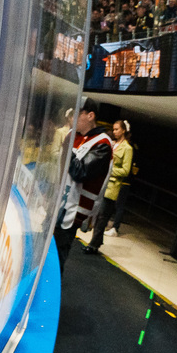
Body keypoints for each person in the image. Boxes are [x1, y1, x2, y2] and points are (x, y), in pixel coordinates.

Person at [52, 97, 112, 269]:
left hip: (74, 209)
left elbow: (80, 172)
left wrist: (68, 149)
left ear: (90, 116)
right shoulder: (73, 135)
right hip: (59, 203)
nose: (72, 119)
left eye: (77, 114)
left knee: (58, 255)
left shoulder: (102, 144)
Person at [85, 118, 133, 254]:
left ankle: (93, 244)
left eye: (117, 129)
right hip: (102, 183)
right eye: (113, 129)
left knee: (102, 216)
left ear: (123, 130)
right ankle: (96, 242)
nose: (114, 131)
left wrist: (109, 170)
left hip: (112, 186)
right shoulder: (112, 144)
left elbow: (126, 170)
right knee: (98, 214)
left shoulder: (127, 148)